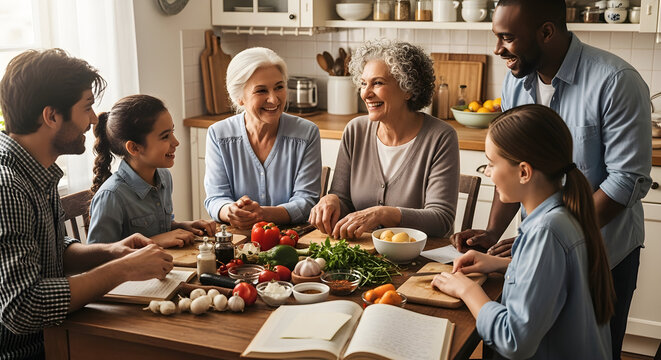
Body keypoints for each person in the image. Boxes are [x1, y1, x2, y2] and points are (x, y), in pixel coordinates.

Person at [450, 1, 651, 357]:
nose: (498, 50)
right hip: (541, 246)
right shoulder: (517, 81)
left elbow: (625, 181)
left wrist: (548, 240)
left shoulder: (615, 81)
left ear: (546, 32)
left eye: (508, 38)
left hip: (606, 253)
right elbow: (511, 163)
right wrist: (494, 233)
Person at [0, 49, 173, 359]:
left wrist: (112, 251)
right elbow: (22, 307)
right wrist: (123, 269)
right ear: (51, 116)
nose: (94, 119)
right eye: (87, 107)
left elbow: (53, 250)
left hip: (60, 335)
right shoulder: (8, 187)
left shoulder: (37, 170)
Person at [434, 105, 614, 359]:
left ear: (524, 172)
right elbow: (551, 280)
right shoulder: (562, 215)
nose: (487, 172)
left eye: (491, 163)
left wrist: (468, 290)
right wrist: (502, 264)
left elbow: (515, 340)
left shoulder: (546, 232)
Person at [308, 39, 459, 239]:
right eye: (363, 84)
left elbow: (441, 219)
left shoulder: (440, 137)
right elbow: (344, 200)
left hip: (420, 259)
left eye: (377, 83)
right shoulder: (356, 130)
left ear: (408, 89)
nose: (366, 94)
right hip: (364, 252)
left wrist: (382, 213)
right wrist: (331, 200)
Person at [204, 47, 321, 229]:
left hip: (291, 241)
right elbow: (215, 199)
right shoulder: (218, 135)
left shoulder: (306, 133)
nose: (273, 99)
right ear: (239, 98)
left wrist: (263, 214)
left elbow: (306, 201)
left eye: (279, 87)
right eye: (261, 91)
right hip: (237, 240)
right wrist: (231, 210)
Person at [87, 95, 215, 247]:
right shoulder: (111, 196)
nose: (176, 142)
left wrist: (181, 226)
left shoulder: (164, 177)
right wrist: (153, 242)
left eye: (172, 132)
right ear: (134, 148)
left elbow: (157, 227)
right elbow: (98, 258)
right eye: (165, 136)